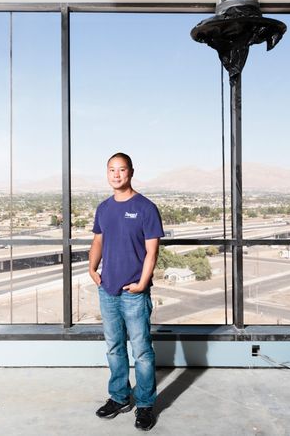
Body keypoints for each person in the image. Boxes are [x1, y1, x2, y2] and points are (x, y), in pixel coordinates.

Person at [90, 152, 164, 431]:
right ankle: (120, 397)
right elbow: (98, 240)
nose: (116, 174)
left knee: (142, 351)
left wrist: (143, 283)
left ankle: (145, 405)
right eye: (112, 170)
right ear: (107, 173)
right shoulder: (104, 208)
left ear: (131, 172)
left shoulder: (145, 207)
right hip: (107, 290)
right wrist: (91, 268)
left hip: (134, 292)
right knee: (114, 348)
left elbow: (152, 252)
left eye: (121, 169)